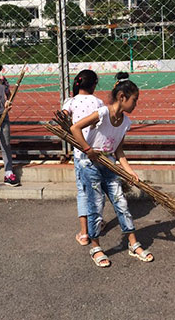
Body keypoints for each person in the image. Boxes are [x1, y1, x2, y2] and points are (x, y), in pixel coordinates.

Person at [70, 72, 154, 268]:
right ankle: (96, 247)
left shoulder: (126, 123)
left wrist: (130, 171)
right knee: (96, 206)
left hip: (108, 165)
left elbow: (118, 150)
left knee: (121, 203)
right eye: (134, 100)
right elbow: (75, 129)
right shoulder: (102, 113)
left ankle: (133, 243)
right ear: (122, 97)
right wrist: (88, 150)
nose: (135, 105)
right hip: (89, 165)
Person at [62, 69, 105, 246]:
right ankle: (97, 223)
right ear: (94, 84)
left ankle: (84, 232)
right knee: (97, 190)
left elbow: (62, 117)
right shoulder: (99, 102)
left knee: (82, 191)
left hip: (80, 153)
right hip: (95, 153)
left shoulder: (70, 102)